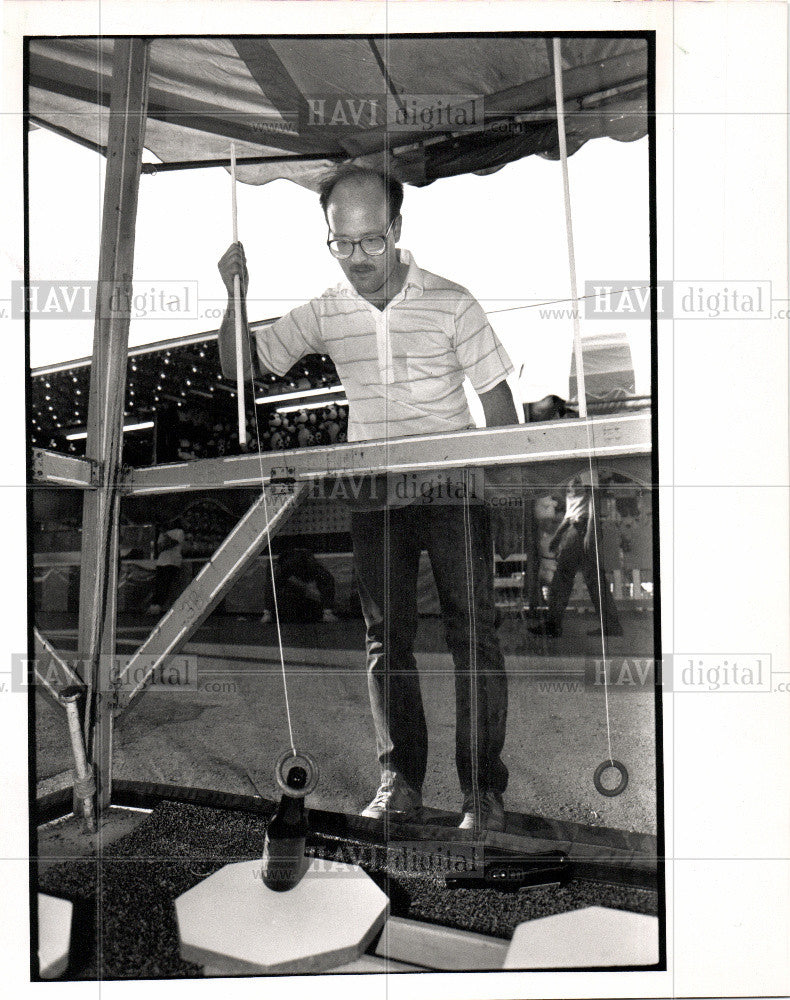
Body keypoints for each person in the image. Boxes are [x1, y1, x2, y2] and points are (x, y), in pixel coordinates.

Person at [217, 165, 520, 832]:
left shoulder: (452, 301)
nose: (359, 260)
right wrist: (235, 295)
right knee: (387, 641)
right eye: (342, 243)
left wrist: (489, 486)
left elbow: (499, 405)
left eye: (372, 241)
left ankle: (481, 794)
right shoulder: (328, 310)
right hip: (373, 490)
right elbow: (241, 366)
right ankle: (400, 783)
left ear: (398, 229)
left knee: (474, 634)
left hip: (451, 487)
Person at [530, 472, 623, 639]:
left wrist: (590, 532)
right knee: (594, 580)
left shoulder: (586, 470)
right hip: (577, 527)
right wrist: (559, 535)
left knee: (563, 578)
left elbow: (593, 500)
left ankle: (553, 625)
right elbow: (572, 511)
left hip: (583, 527)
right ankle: (612, 625)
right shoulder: (573, 475)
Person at [262, 548, 337, 624]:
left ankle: (326, 613)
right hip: (291, 601)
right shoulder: (286, 568)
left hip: (297, 601)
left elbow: (327, 582)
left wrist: (267, 613)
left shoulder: (313, 569)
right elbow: (271, 586)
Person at [147, 522, 185, 614]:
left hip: (172, 562)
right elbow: (160, 548)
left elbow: (172, 543)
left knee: (166, 585)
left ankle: (161, 606)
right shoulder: (162, 534)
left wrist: (166, 536)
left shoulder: (179, 532)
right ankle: (155, 605)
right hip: (162, 561)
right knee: (159, 585)